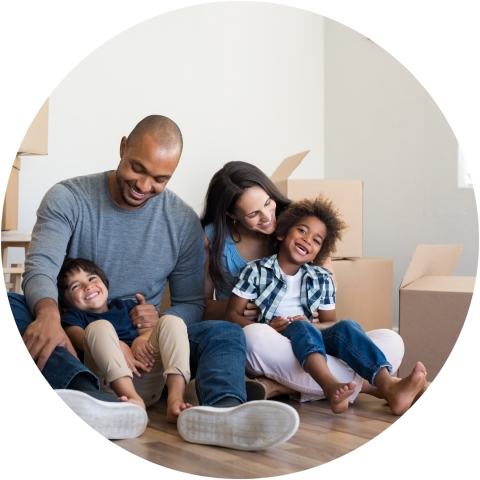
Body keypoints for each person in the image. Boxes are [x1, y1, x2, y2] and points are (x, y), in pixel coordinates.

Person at [8, 115, 299, 450]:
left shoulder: (181, 221)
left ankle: (223, 411)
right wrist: (47, 315)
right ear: (122, 147)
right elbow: (41, 266)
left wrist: (158, 321)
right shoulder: (68, 198)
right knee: (13, 305)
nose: (144, 186)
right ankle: (86, 397)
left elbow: (192, 303)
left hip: (147, 347)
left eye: (160, 179)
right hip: (78, 339)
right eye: (138, 169)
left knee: (225, 331)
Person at [201, 160, 407, 404]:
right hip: (265, 339)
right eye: (254, 214)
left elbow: (328, 294)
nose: (269, 217)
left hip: (310, 335)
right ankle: (372, 385)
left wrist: (314, 313)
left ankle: (278, 386)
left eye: (268, 203)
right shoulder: (216, 240)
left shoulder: (300, 223)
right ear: (231, 214)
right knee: (255, 336)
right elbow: (200, 305)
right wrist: (248, 311)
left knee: (392, 341)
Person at [225, 195, 427, 415]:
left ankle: (385, 384)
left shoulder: (322, 278)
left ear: (318, 253)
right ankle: (339, 385)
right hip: (275, 343)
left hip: (313, 343)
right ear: (282, 232)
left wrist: (311, 325)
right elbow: (232, 315)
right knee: (256, 334)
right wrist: (270, 326)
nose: (307, 240)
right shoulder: (256, 271)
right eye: (302, 231)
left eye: (316, 240)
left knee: (377, 335)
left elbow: (330, 323)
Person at [57, 257, 192, 423]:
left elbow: (149, 330)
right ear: (66, 302)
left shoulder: (125, 306)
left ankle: (175, 400)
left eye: (92, 278)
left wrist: (141, 339)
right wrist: (118, 345)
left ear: (105, 283)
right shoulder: (74, 316)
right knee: (99, 327)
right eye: (76, 286)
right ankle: (133, 400)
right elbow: (77, 339)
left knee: (172, 321)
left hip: (148, 376)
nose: (88, 286)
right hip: (112, 386)